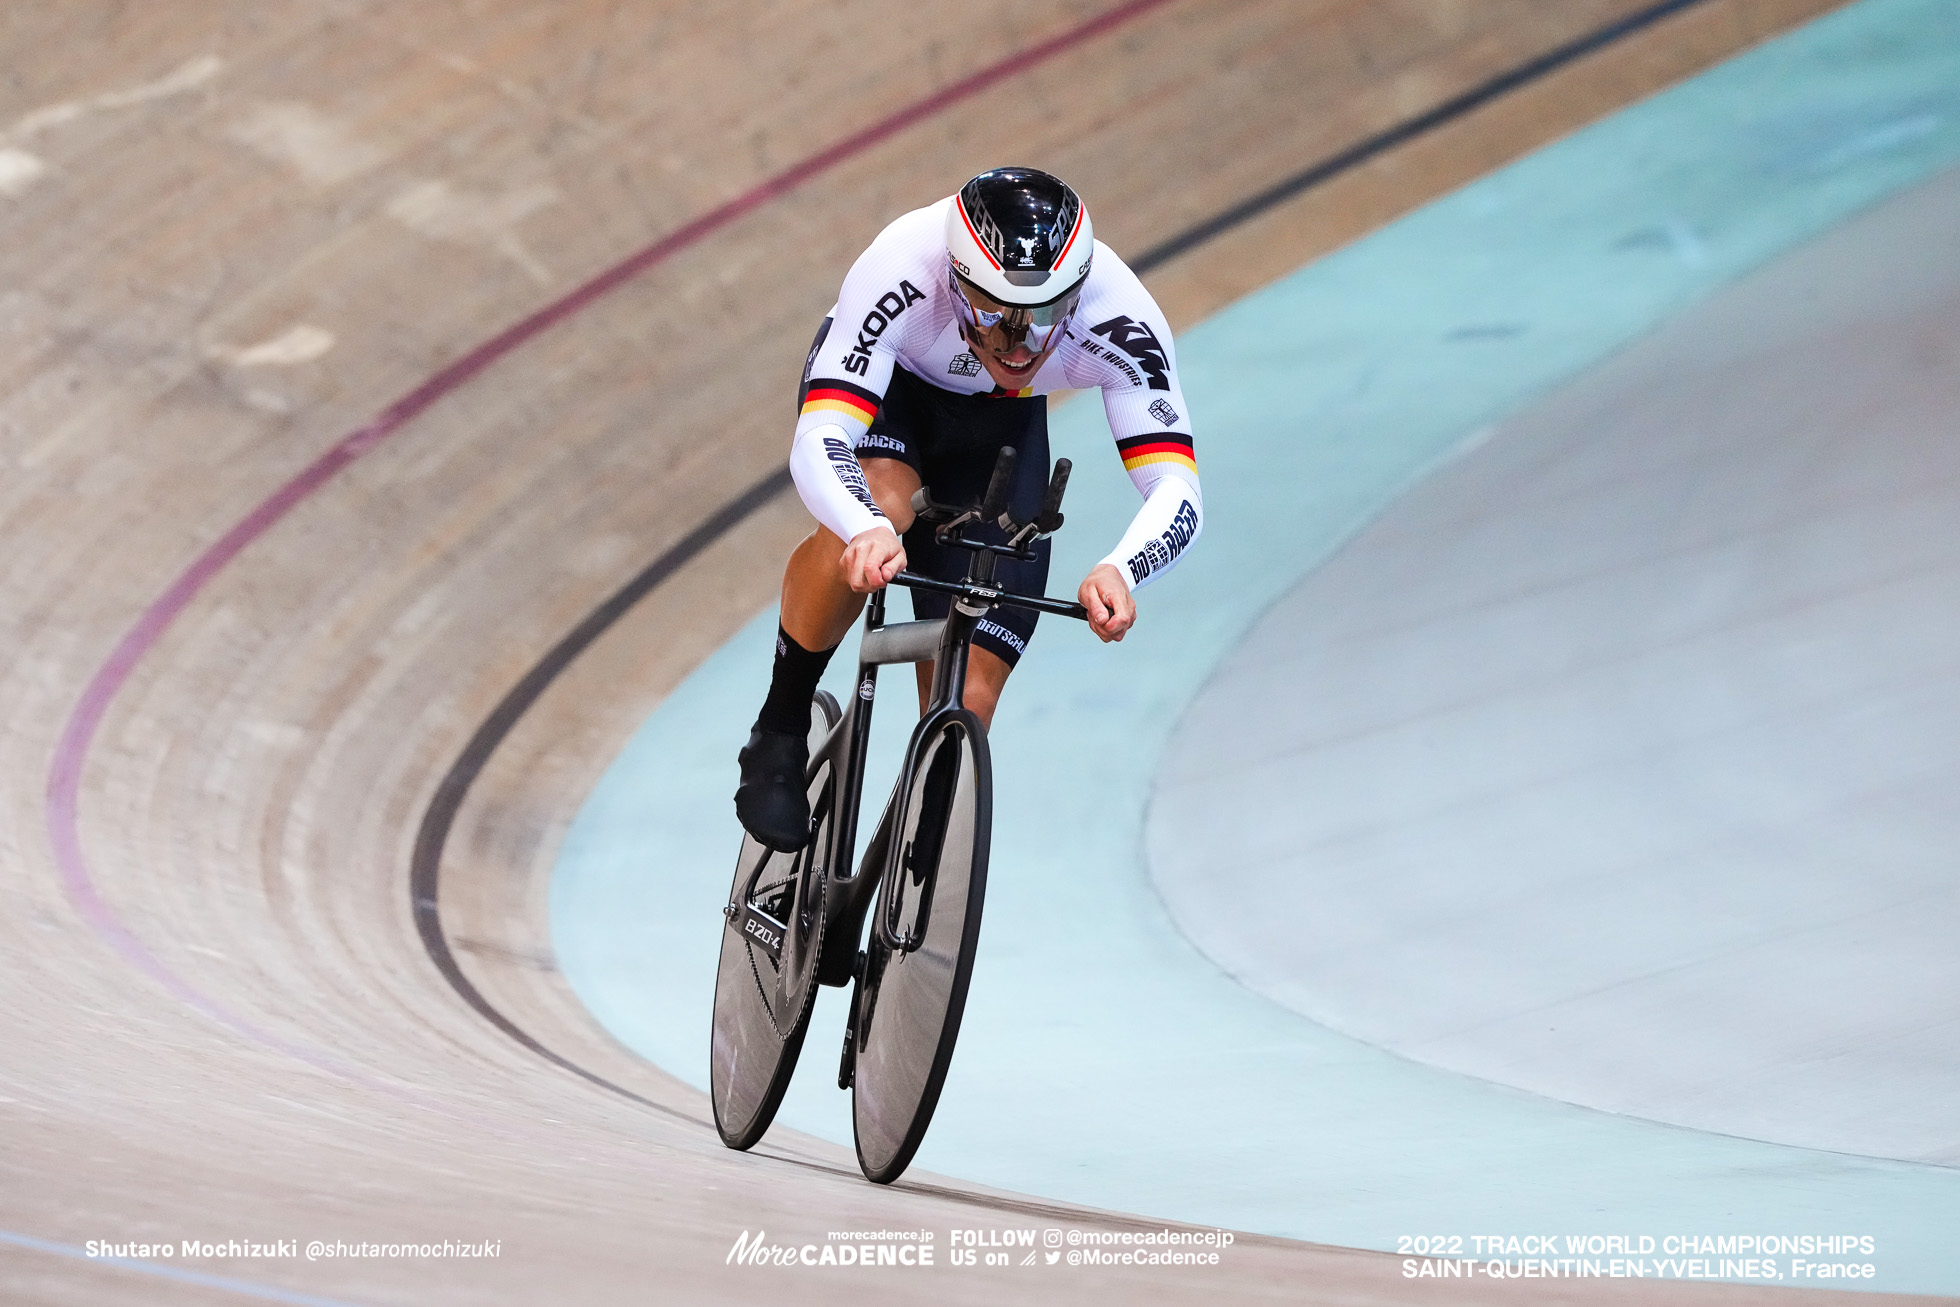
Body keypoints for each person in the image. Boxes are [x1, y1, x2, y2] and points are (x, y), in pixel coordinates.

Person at [735, 166, 1204, 851]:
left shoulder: (1119, 314)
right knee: (885, 507)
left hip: (997, 434)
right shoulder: (903, 266)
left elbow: (1178, 489)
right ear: (954, 281)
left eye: (1044, 317)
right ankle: (779, 726)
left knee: (969, 702)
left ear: (1075, 296)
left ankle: (898, 873)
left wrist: (1122, 570)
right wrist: (863, 526)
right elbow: (820, 437)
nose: (1018, 343)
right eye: (992, 315)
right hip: (893, 393)